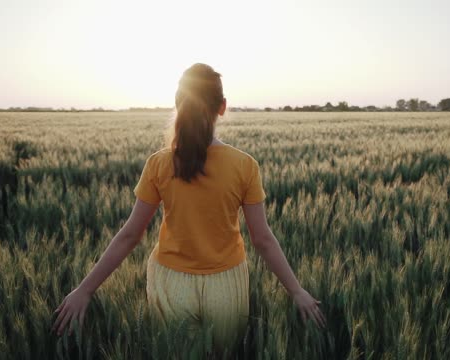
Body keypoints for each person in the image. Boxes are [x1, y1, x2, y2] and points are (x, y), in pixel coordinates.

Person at [51, 63, 326, 357]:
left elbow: (130, 234)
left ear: (177, 104)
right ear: (222, 107)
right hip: (226, 287)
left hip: (172, 284)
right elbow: (262, 239)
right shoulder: (244, 165)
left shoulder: (159, 164)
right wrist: (297, 291)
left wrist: (85, 290)